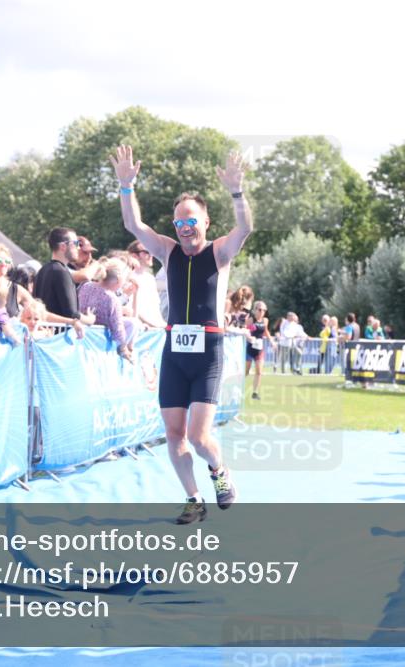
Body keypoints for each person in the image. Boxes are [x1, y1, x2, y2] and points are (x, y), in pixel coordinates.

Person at [112, 144, 251, 524]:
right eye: (179, 223)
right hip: (175, 350)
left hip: (208, 351)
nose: (186, 228)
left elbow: (245, 228)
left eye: (192, 221)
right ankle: (193, 499)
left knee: (200, 436)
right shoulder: (169, 252)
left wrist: (237, 193)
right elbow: (134, 226)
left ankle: (219, 472)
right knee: (174, 435)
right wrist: (126, 187)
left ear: (205, 222)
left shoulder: (220, 253)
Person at [32, 228, 96, 336]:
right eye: (75, 243)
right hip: (59, 338)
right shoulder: (61, 271)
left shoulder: (43, 270)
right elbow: (72, 313)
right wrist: (90, 319)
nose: (78, 248)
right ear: (63, 246)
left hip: (46, 335)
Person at [77, 257, 136, 360]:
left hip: (80, 337)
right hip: (98, 345)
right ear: (118, 280)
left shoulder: (85, 286)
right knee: (132, 323)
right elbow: (118, 329)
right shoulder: (112, 298)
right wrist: (123, 349)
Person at [128, 239, 168, 329]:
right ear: (134, 256)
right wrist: (155, 325)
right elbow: (131, 309)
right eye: (147, 252)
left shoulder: (150, 279)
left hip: (156, 330)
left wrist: (163, 325)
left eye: (152, 251)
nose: (151, 255)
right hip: (140, 331)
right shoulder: (128, 278)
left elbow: (155, 308)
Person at [245, 300, 271, 398]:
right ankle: (236, 388)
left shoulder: (265, 320)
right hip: (250, 348)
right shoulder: (250, 320)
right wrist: (249, 337)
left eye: (264, 310)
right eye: (259, 309)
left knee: (259, 371)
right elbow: (246, 331)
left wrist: (272, 341)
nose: (262, 312)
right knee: (246, 372)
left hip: (259, 349)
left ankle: (255, 393)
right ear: (255, 310)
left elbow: (266, 331)